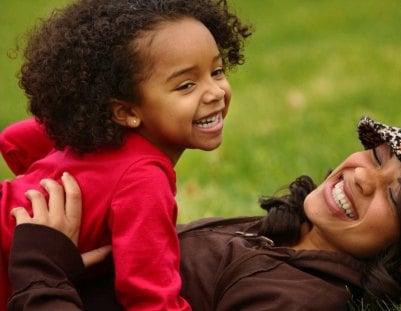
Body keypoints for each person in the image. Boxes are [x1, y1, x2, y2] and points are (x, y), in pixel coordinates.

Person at [6, 116, 401, 310]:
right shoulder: (281, 237)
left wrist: (40, 270)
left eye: (393, 197)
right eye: (376, 156)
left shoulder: (298, 300)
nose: (362, 177)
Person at [0, 0, 252, 309]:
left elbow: (15, 139)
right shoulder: (143, 179)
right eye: (186, 85)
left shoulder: (91, 131)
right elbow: (150, 298)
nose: (214, 92)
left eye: (216, 71)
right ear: (126, 110)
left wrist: (50, 185)